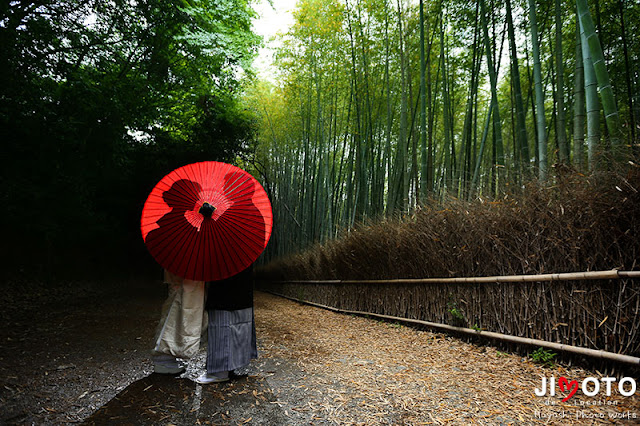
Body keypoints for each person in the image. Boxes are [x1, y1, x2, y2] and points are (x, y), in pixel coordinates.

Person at [195, 264, 258, 384]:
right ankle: (231, 365)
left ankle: (219, 371)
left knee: (222, 322)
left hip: (223, 277)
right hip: (242, 275)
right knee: (238, 320)